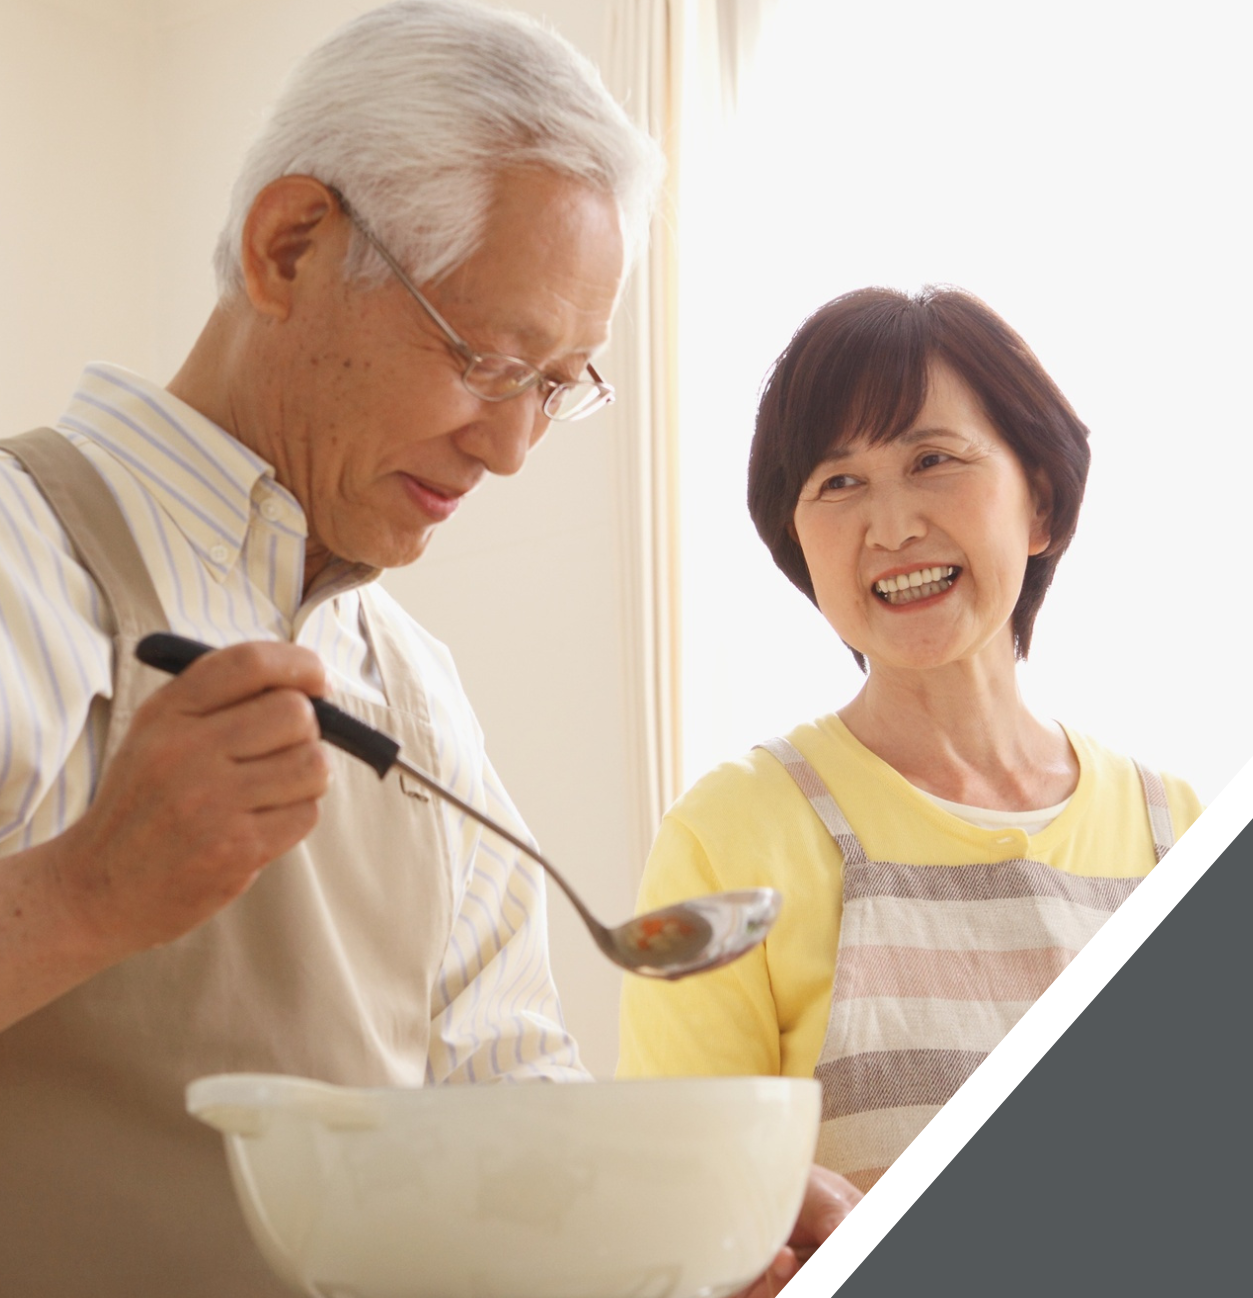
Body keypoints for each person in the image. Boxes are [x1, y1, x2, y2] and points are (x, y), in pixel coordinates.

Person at [0, 3, 852, 1293]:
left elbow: (499, 1104)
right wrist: (82, 896)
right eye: (488, 360)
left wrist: (684, 1217)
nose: (510, 449)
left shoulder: (412, 683)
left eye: (558, 385)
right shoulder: (20, 553)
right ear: (290, 247)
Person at [617, 286, 1204, 1191]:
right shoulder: (729, 837)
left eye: (934, 459)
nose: (891, 528)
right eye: (838, 483)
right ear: (799, 541)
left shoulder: (1183, 830)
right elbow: (675, 1213)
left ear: (1040, 505)